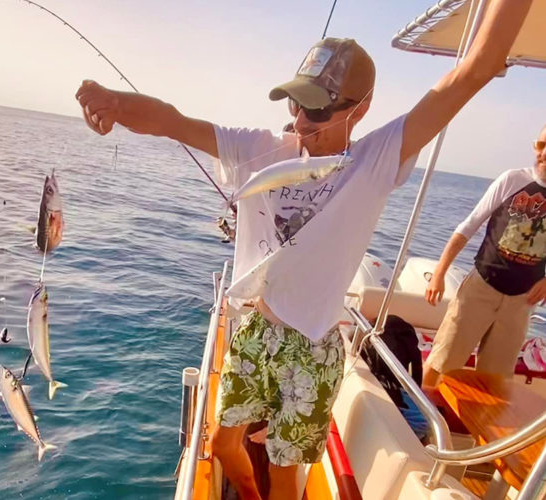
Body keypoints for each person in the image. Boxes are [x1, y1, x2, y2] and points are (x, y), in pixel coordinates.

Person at [74, 2, 532, 498]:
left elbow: (474, 70)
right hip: (254, 328)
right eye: (295, 103)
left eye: (318, 108)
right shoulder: (257, 148)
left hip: (313, 349)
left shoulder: (375, 159)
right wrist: (116, 104)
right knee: (222, 444)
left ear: (362, 106)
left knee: (285, 477)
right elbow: (173, 121)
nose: (300, 118)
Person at [423, 124, 546, 388]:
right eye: (541, 145)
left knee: (495, 380)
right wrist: (439, 274)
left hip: (521, 301)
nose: (544, 153)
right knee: (442, 360)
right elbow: (468, 226)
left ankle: (480, 428)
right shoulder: (512, 180)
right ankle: (414, 420)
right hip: (482, 285)